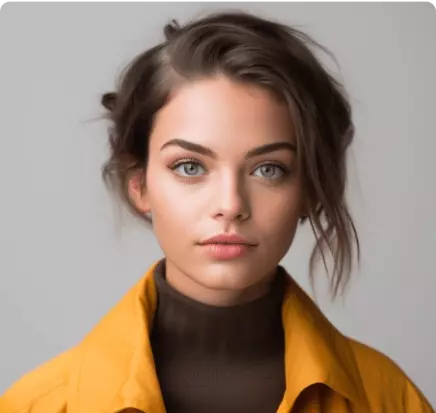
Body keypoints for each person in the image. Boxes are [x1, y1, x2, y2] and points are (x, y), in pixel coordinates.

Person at [0, 10, 433, 413]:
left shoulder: (389, 400)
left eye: (269, 169)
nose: (230, 204)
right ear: (139, 184)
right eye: (190, 167)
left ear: (310, 191)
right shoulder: (37, 405)